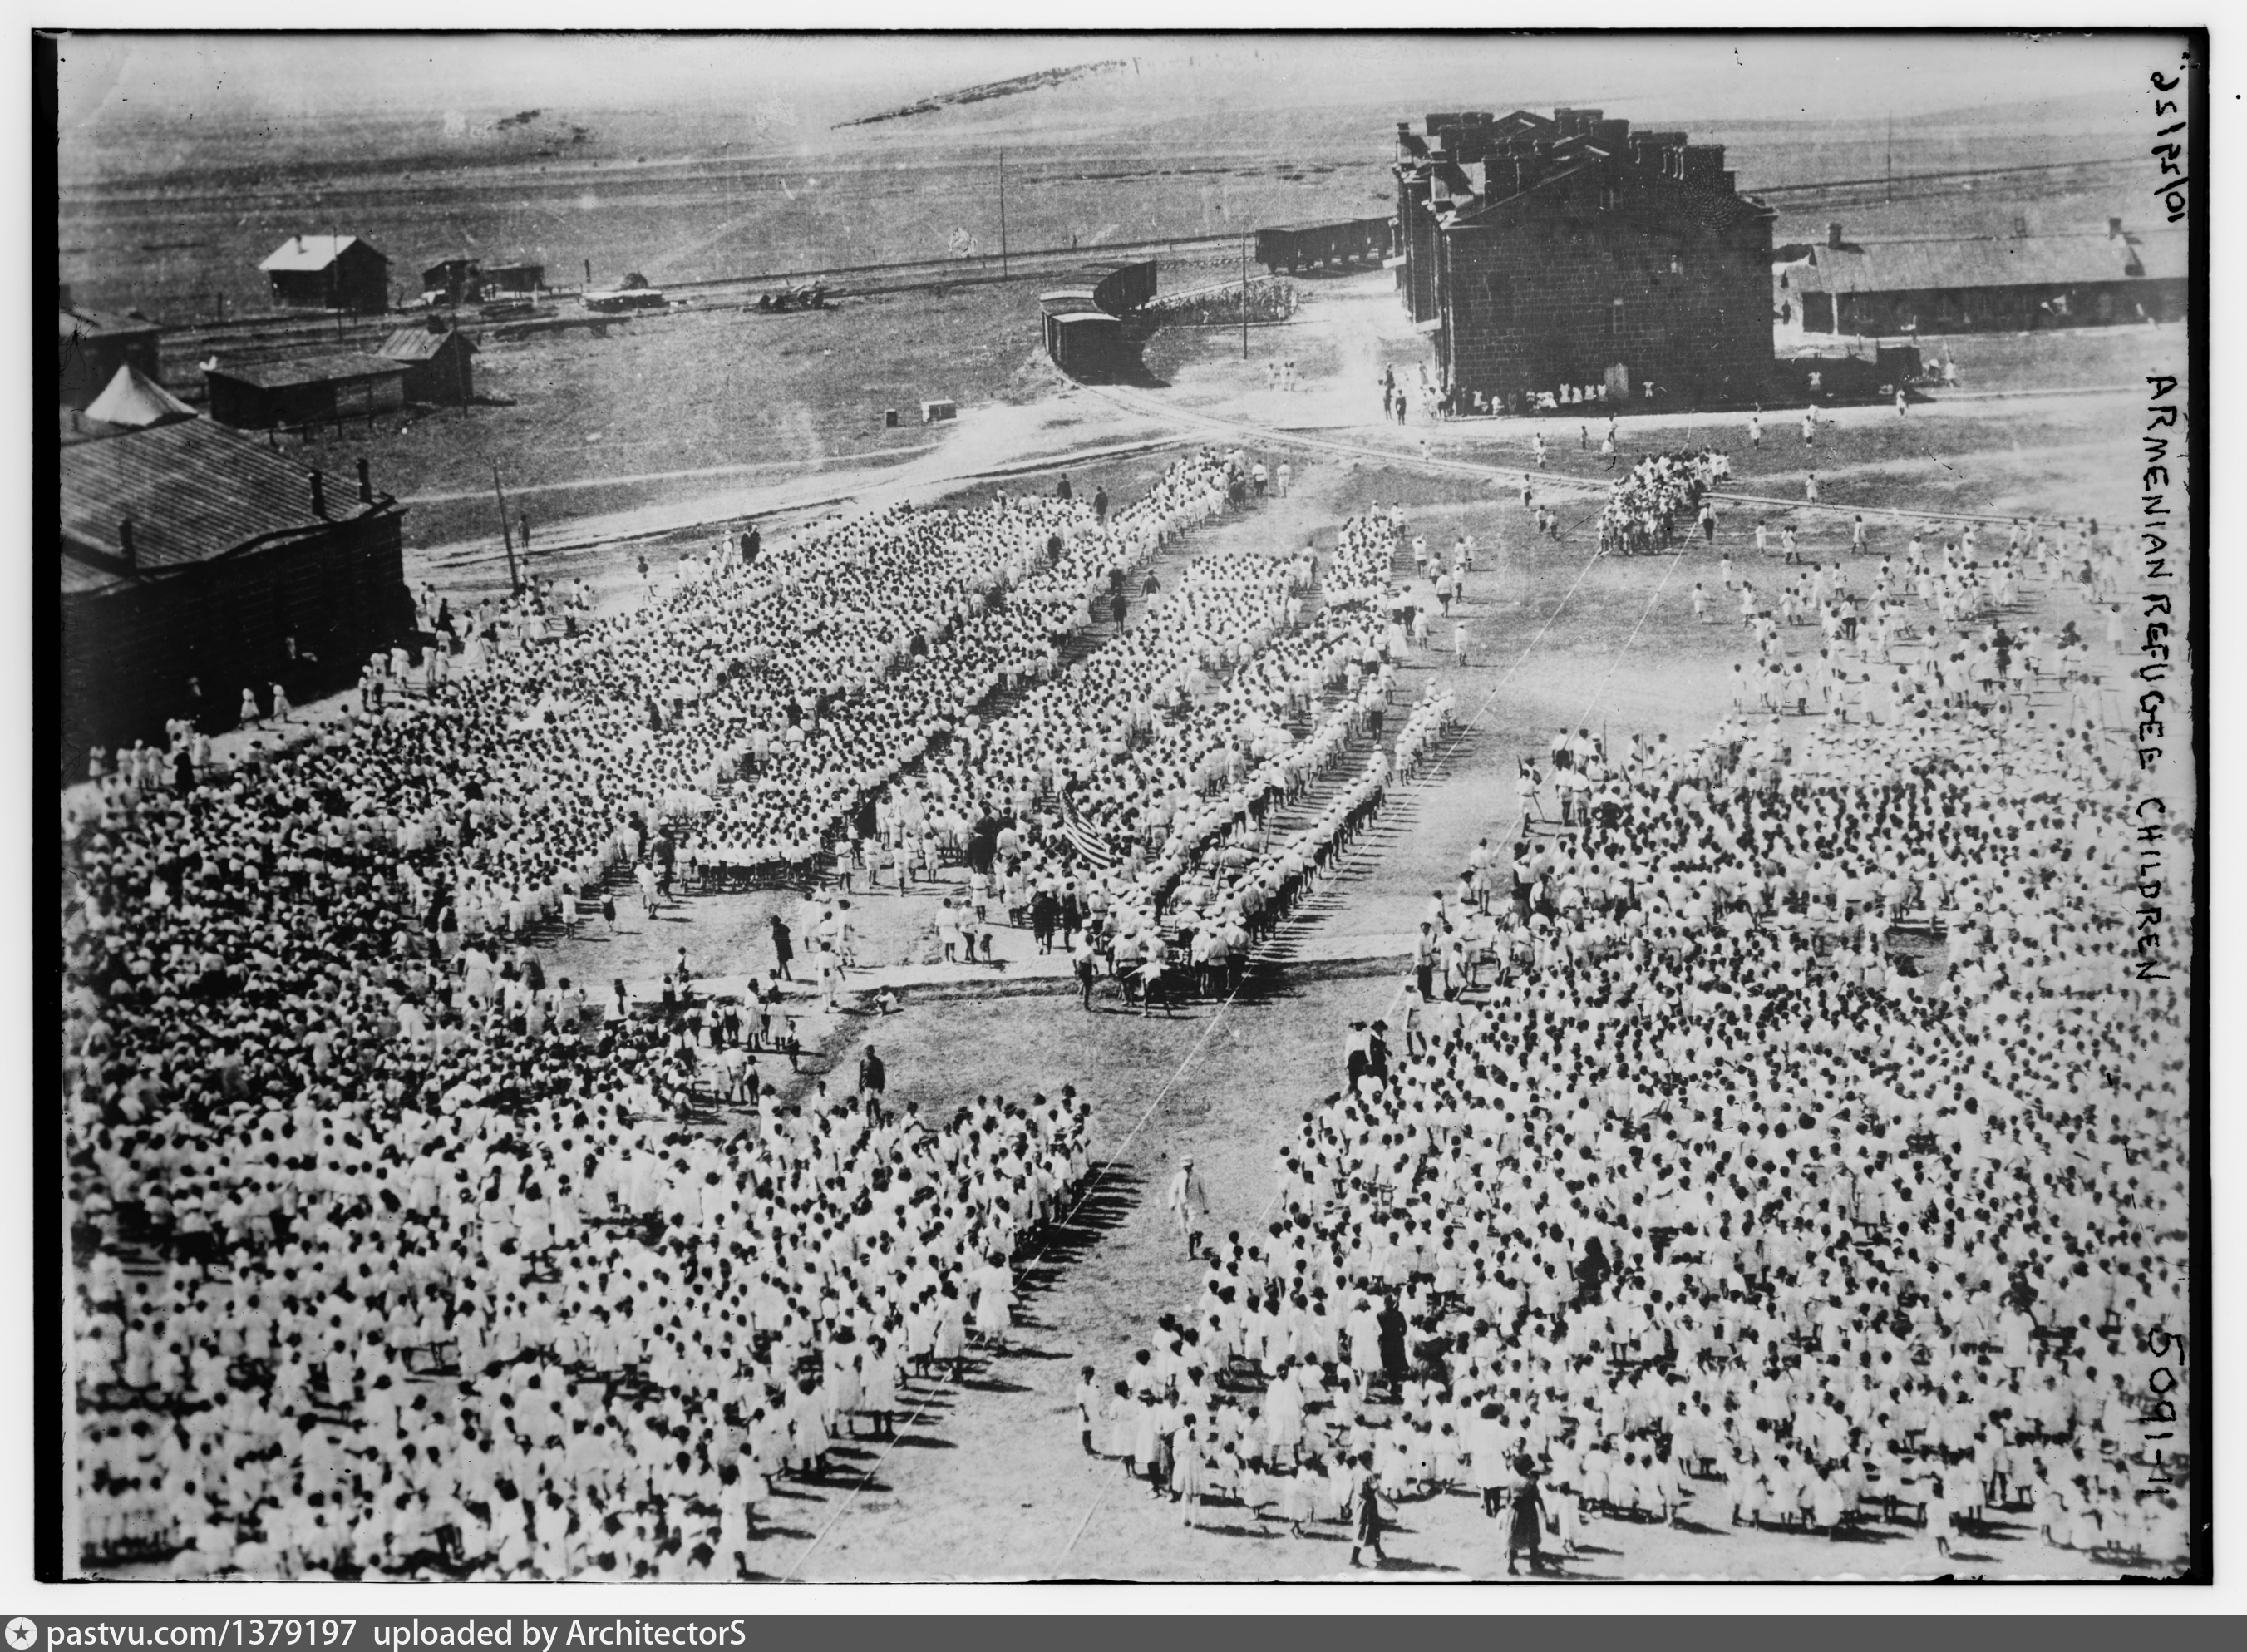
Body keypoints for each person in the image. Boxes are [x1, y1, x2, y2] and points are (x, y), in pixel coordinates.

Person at [1165, 1154, 1209, 1260]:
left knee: (1191, 1228)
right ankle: (1198, 1235)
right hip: (1182, 1205)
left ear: (1192, 1165)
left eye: (1189, 1166)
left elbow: (1203, 1192)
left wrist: (1206, 1207)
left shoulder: (1198, 1177)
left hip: (1194, 1205)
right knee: (1184, 1227)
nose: (1187, 1168)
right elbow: (1173, 1190)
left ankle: (1191, 1253)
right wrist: (1172, 1203)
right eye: (1185, 1166)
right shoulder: (1179, 1176)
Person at [1508, 1457, 1547, 1575]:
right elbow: (1537, 1498)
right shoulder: (1530, 1481)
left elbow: (1509, 1495)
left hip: (1515, 1511)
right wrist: (1544, 1511)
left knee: (1513, 1538)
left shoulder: (1513, 1479)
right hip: (1529, 1512)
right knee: (1532, 1538)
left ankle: (1511, 1565)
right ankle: (1533, 1563)